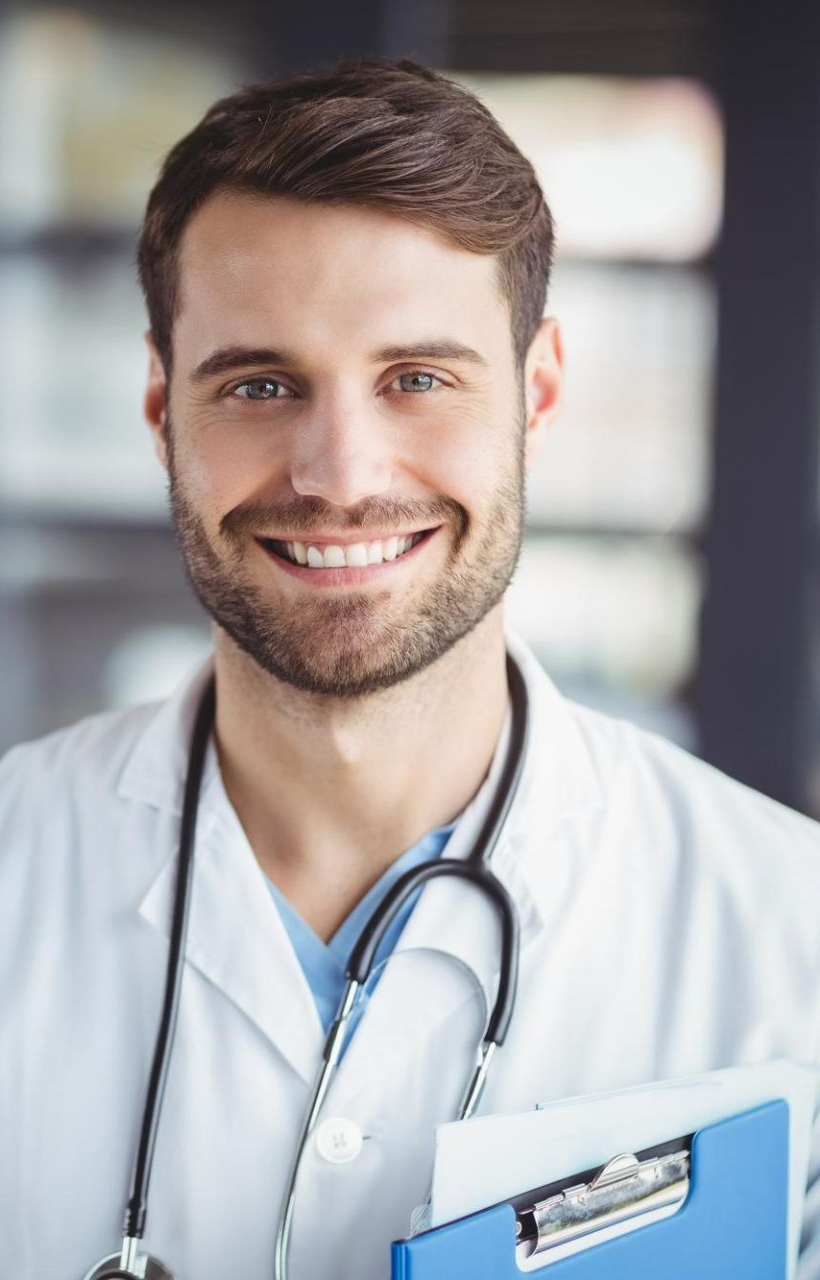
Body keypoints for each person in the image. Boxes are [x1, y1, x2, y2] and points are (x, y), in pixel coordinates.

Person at [1, 58, 819, 1280]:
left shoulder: (788, 935)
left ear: (536, 394)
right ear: (164, 406)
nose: (337, 473)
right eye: (260, 384)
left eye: (417, 379)